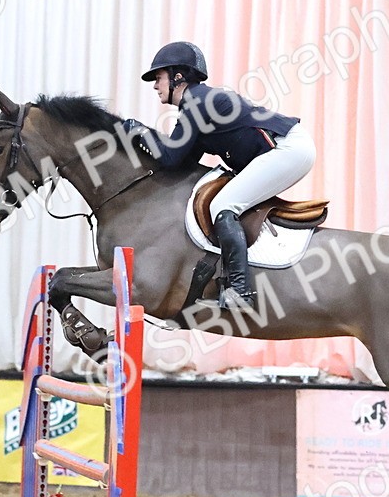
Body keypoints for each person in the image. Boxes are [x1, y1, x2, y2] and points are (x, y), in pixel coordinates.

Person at [123, 41, 316, 310]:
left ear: (178, 77)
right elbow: (180, 163)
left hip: (289, 148)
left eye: (158, 78)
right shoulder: (197, 106)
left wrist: (140, 132)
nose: (155, 85)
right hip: (287, 147)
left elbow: (170, 156)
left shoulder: (199, 103)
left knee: (223, 205)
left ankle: (239, 290)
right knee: (225, 201)